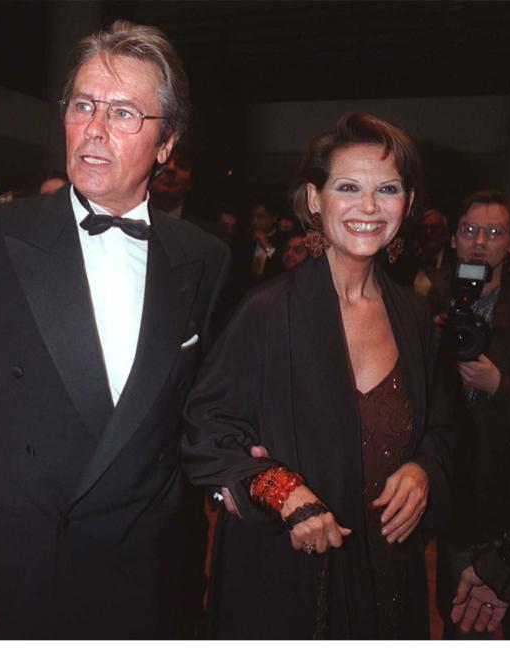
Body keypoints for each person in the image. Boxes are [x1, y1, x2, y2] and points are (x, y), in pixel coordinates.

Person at [0, 20, 229, 638]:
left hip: (143, 576)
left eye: (124, 113)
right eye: (83, 105)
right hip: (13, 567)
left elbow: (197, 412)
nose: (95, 129)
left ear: (168, 142)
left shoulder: (206, 258)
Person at [183, 112, 454, 639]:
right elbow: (205, 429)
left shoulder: (414, 316)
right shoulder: (267, 311)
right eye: (348, 187)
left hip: (389, 577)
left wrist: (423, 472)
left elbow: (442, 430)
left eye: (389, 189)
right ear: (314, 199)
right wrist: (282, 490)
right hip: (288, 580)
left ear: (410, 204)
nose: (369, 208)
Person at [427, 191, 510, 637]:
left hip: (488, 509)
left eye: (493, 232)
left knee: (468, 627)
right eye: (469, 231)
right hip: (423, 492)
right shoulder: (421, 308)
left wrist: (499, 387)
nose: (479, 242)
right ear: (453, 239)